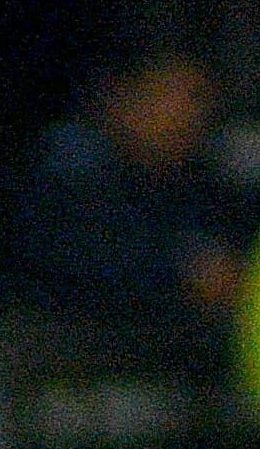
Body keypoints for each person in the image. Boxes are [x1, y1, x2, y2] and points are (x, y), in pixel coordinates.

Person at [13, 50, 252, 371]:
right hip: (69, 365)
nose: (181, 114)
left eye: (194, 100)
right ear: (120, 100)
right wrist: (177, 273)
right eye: (162, 95)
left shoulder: (207, 180)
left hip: (181, 371)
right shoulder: (75, 169)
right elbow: (72, 265)